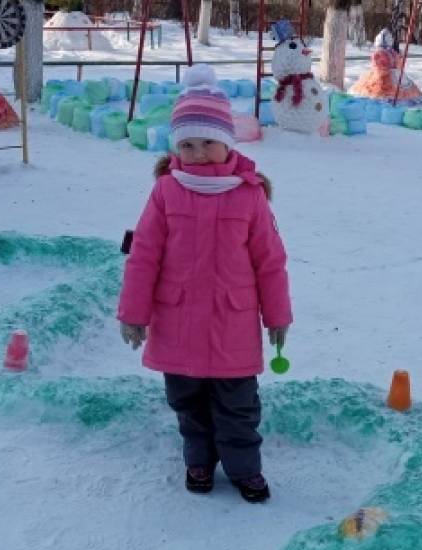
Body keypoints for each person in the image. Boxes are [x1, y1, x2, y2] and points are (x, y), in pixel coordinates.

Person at [117, 64, 293, 504]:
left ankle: (243, 469)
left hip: (231, 324)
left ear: (227, 142)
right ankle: (198, 460)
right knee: (189, 405)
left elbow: (270, 262)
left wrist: (277, 316)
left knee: (238, 406)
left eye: (208, 143)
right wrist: (134, 315)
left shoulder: (249, 194)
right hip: (176, 322)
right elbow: (144, 256)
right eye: (188, 145)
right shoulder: (166, 192)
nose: (198, 153)